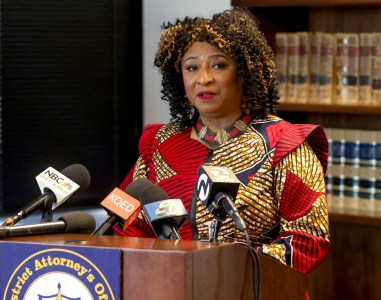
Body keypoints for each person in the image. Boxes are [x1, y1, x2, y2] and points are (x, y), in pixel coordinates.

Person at [114, 6, 330, 275]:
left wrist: (219, 268)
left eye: (218, 65)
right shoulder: (158, 143)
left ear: (244, 72)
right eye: (191, 67)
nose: (204, 79)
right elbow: (122, 223)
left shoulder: (285, 143)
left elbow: (307, 242)